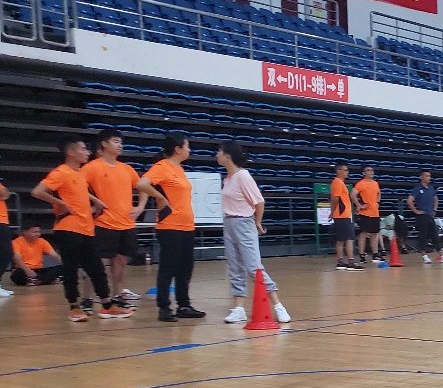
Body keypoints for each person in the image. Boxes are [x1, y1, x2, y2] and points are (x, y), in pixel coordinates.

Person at [31, 137, 132, 321]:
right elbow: (37, 191)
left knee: (97, 269)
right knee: (70, 269)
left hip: (87, 228)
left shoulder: (79, 173)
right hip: (68, 228)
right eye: (83, 149)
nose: (87, 152)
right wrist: (60, 203)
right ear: (71, 152)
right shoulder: (60, 172)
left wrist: (96, 201)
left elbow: (80, 191)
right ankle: (74, 307)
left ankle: (107, 305)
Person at [217, 140, 291, 325]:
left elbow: (259, 202)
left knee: (254, 267)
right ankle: (239, 308)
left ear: (227, 155)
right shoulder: (228, 178)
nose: (216, 155)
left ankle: (278, 306)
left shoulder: (243, 176)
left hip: (243, 223)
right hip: (229, 222)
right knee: (235, 266)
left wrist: (257, 222)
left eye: (219, 152)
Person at [136, 132, 204, 322]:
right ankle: (164, 307)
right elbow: (141, 183)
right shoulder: (162, 167)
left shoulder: (179, 169)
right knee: (168, 268)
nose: (189, 149)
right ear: (177, 149)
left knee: (185, 268)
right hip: (170, 226)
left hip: (187, 226)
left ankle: (184, 305)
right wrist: (160, 197)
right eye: (187, 146)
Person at [83, 128, 146, 303]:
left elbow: (143, 187)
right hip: (104, 223)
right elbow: (75, 187)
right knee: (98, 262)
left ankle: (118, 295)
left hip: (126, 223)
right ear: (104, 144)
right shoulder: (92, 167)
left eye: (121, 142)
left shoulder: (127, 169)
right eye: (116, 142)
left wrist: (140, 207)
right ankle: (88, 298)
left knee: (121, 261)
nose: (120, 145)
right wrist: (95, 201)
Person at [407, 170, 443, 264]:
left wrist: (434, 210)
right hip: (422, 216)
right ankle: (424, 256)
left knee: (435, 235)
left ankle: (442, 255)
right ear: (421, 177)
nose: (428, 178)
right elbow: (409, 201)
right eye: (426, 176)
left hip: (430, 215)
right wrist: (416, 211)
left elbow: (435, 199)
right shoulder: (417, 188)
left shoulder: (431, 188)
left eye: (429, 176)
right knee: (423, 236)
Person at [330, 163, 362, 271]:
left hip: (345, 215)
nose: (347, 172)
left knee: (345, 238)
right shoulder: (337, 182)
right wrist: (332, 211)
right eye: (345, 170)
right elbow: (335, 199)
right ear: (338, 171)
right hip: (341, 215)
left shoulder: (340, 183)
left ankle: (344, 262)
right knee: (345, 239)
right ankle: (347, 262)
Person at [353, 165, 382, 261]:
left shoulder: (375, 183)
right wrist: (360, 205)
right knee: (364, 233)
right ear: (363, 173)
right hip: (365, 213)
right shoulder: (361, 184)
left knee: (375, 233)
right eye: (368, 170)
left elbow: (379, 193)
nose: (371, 172)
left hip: (375, 213)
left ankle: (375, 254)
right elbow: (352, 195)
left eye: (372, 170)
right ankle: (362, 254)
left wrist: (377, 202)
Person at [0, 177, 12, 297]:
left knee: (6, 253)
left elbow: (6, 195)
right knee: (6, 252)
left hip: (2, 221)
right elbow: (4, 194)